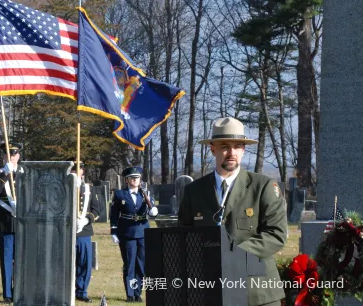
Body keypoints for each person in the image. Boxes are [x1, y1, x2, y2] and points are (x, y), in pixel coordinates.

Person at [178, 117, 288, 306]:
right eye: (224, 146)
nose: (231, 153)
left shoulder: (263, 187)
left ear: (244, 150)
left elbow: (276, 234)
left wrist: (233, 255)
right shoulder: (194, 191)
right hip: (210, 290)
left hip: (257, 292)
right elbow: (183, 235)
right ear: (212, 149)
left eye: (237, 146)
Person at [110, 166, 158, 303]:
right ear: (127, 180)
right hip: (127, 233)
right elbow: (113, 215)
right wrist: (113, 231)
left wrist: (153, 211)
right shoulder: (120, 195)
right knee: (129, 264)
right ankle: (130, 294)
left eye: (137, 178)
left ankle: (138, 293)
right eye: (132, 178)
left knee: (141, 265)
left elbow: (151, 211)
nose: (135, 180)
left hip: (143, 232)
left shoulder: (145, 194)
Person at [0, 142, 23, 304]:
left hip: (22, 222)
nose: (11, 157)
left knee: (21, 259)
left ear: (18, 156)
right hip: (4, 221)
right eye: (8, 155)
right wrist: (4, 174)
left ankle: (20, 290)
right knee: (6, 259)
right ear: (3, 156)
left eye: (14, 154)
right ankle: (7, 294)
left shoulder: (25, 173)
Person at [69, 158, 100, 303]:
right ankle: (66, 290)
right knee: (66, 263)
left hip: (84, 231)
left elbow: (97, 209)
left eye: (78, 169)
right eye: (73, 169)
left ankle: (81, 291)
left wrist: (86, 219)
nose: (76, 172)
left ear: (83, 171)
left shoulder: (89, 188)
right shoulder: (63, 187)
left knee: (84, 263)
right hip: (67, 231)